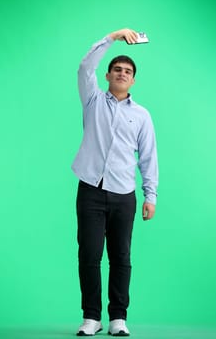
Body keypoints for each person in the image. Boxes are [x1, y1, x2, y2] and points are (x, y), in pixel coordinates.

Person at [71, 28, 158, 336]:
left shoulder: (143, 116)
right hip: (91, 190)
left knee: (121, 257)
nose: (122, 73)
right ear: (107, 75)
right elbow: (84, 67)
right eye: (118, 69)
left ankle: (118, 318)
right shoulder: (93, 100)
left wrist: (151, 196)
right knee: (89, 254)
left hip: (124, 194)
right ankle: (91, 317)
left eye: (128, 71)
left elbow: (148, 157)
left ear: (133, 80)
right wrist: (112, 37)